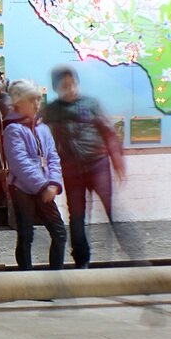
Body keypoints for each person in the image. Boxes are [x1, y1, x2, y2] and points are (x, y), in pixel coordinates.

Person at [43, 65, 141, 268]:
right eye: (64, 86)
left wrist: (117, 160)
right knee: (77, 218)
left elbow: (108, 133)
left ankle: (135, 256)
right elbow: (37, 130)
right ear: (56, 88)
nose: (70, 89)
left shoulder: (90, 104)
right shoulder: (51, 111)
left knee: (112, 211)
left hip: (98, 166)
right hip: (72, 171)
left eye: (72, 85)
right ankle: (82, 262)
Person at [2, 79, 67, 270]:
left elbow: (53, 158)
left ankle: (55, 276)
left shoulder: (43, 129)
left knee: (59, 231)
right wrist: (43, 186)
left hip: (45, 187)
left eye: (38, 100)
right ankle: (27, 278)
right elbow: (20, 164)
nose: (37, 105)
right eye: (32, 100)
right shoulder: (13, 130)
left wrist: (53, 183)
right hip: (23, 189)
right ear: (19, 103)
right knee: (25, 234)